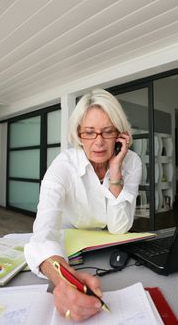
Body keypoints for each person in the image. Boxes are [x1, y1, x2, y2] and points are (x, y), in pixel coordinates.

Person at [24, 88, 142, 322]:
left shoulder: (132, 163)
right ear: (79, 135)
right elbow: (43, 233)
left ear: (120, 135)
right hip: (70, 249)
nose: (98, 142)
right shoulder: (63, 166)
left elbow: (119, 228)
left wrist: (116, 170)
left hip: (105, 246)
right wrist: (65, 280)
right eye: (89, 133)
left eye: (107, 132)